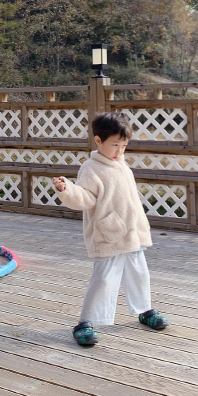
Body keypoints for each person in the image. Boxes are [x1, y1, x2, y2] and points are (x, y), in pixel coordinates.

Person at [53, 112, 169, 346]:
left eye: (124, 145)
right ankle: (85, 322)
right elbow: (84, 199)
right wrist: (67, 190)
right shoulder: (91, 168)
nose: (119, 150)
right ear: (98, 141)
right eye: (114, 145)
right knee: (105, 278)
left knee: (139, 272)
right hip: (109, 234)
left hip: (131, 232)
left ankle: (144, 309)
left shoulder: (122, 164)